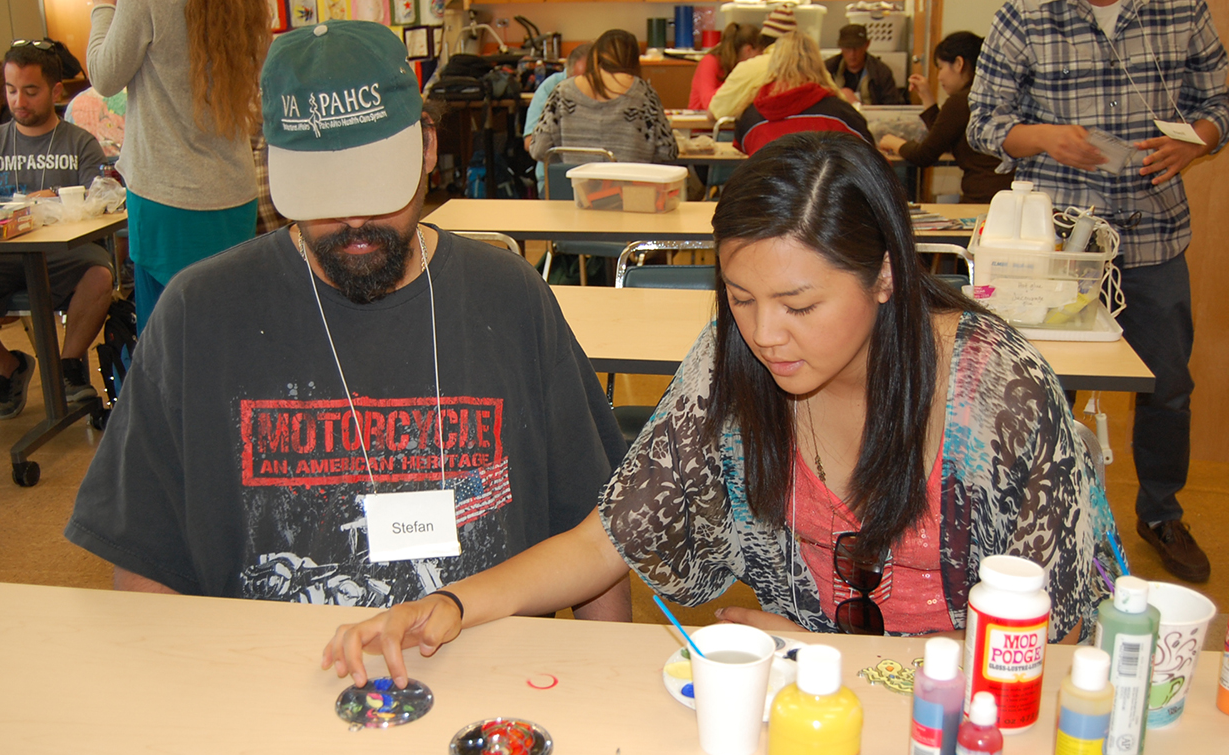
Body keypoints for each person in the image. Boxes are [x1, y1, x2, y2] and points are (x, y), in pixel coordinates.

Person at [320, 132, 1121, 688]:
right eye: (741, 298)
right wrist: (453, 603)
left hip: (973, 736)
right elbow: (605, 539)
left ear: (884, 276)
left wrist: (819, 652)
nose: (767, 335)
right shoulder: (734, 365)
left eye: (800, 304)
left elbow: (1045, 653)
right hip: (816, 714)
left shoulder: (997, 397)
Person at [65, 22, 630, 620]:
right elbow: (143, 558)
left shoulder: (512, 301)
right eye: (324, 190)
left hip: (492, 687)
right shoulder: (198, 314)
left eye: (374, 182)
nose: (355, 218)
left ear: (426, 148)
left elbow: (594, 536)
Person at [968, 0, 1228, 584]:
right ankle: (1035, 521)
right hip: (1056, 249)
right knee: (1043, 388)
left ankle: (1162, 516)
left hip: (1156, 237)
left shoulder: (1182, 10)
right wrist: (1043, 138)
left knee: (1169, 386)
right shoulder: (1025, 15)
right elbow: (982, 123)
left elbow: (1220, 103)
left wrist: (1198, 141)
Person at [86, 0, 269, 335]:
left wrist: (101, 7)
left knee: (168, 344)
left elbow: (104, 75)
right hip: (233, 191)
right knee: (229, 329)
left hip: (167, 193)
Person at [0, 39, 113, 418]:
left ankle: (68, 369)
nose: (19, 101)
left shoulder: (80, 142)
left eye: (30, 91)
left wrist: (48, 198)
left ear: (54, 91)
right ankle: (9, 368)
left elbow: (99, 197)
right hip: (3, 255)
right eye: (11, 90)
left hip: (64, 254)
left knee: (100, 276)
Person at [876, 31, 1012, 204]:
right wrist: (927, 97)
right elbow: (944, 137)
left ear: (958, 63)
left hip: (983, 199)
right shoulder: (991, 94)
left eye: (941, 67)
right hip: (1003, 197)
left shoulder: (963, 100)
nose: (939, 77)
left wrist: (892, 142)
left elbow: (924, 155)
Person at [529, 30, 676, 166]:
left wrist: (572, 163)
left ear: (596, 56)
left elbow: (539, 149)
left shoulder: (563, 92)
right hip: (630, 190)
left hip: (575, 190)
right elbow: (668, 151)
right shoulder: (644, 94)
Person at [733, 31, 873, 155]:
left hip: (768, 184)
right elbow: (870, 153)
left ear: (774, 63)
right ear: (818, 63)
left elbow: (742, 149)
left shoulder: (749, 117)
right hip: (822, 184)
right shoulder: (841, 115)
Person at [522, 42, 591, 196]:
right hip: (558, 176)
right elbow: (530, 143)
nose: (582, 88)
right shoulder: (552, 88)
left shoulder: (605, 91)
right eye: (576, 81)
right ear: (568, 73)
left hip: (596, 178)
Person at [708, 5, 797, 120]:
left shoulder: (748, 68)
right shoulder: (814, 68)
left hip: (761, 135)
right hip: (808, 135)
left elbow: (713, 113)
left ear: (763, 41)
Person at [824, 23, 905, 106]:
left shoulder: (881, 72)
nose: (852, 54)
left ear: (867, 45)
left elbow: (892, 106)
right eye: (847, 47)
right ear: (840, 47)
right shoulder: (827, 69)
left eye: (857, 47)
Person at [689, 23, 764, 111]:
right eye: (760, 53)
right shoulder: (710, 61)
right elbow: (708, 102)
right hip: (701, 121)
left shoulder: (741, 67)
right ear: (748, 50)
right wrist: (737, 85)